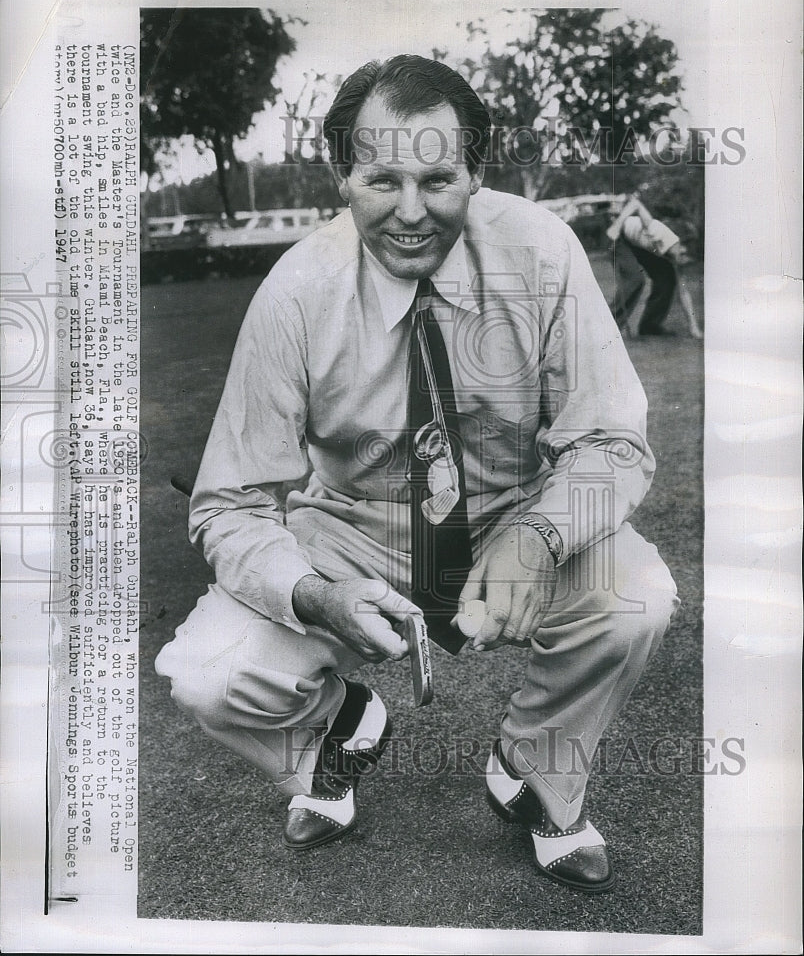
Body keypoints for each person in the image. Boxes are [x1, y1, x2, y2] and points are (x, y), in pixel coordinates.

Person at [155, 55, 678, 894]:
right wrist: (316, 594)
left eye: (438, 178)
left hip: (514, 513)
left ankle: (536, 768)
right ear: (341, 174)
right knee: (205, 674)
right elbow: (228, 506)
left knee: (638, 596)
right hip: (349, 529)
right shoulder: (295, 293)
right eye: (381, 178)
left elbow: (613, 439)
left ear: (478, 169)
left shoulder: (542, 250)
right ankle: (336, 732)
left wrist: (541, 537)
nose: (409, 212)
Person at [607, 194, 703, 338]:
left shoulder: (674, 254)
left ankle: (650, 327)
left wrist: (693, 326)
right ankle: (607, 327)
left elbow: (683, 292)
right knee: (636, 280)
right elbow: (635, 203)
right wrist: (616, 225)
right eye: (684, 259)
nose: (682, 263)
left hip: (640, 245)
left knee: (668, 278)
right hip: (620, 238)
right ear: (682, 248)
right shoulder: (658, 234)